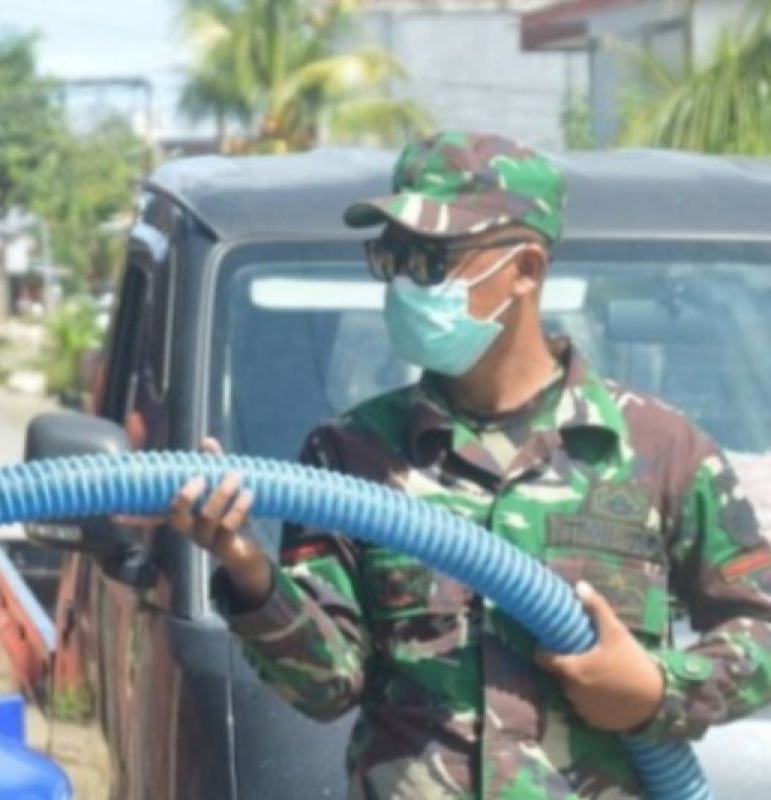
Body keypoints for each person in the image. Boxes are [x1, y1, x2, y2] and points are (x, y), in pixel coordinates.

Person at [160, 132, 771, 797]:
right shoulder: (351, 458)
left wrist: (658, 690)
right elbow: (330, 685)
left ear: (526, 269)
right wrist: (248, 570)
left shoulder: (659, 450)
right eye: (391, 255)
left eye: (431, 259)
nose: (402, 282)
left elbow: (761, 628)